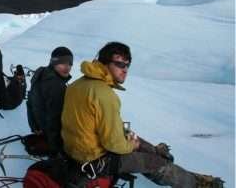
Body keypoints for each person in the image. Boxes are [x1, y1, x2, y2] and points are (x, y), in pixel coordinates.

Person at [61, 42, 224, 188]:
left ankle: (161, 156)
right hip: (96, 161)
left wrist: (130, 139)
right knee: (153, 162)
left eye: (127, 65)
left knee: (133, 138)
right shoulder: (104, 95)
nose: (124, 69)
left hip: (76, 151)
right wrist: (131, 145)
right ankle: (197, 184)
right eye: (119, 64)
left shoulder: (78, 84)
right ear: (104, 63)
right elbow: (113, 144)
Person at [27, 46, 73, 155]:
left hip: (40, 129)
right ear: (53, 63)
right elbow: (54, 120)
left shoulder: (41, 74)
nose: (67, 67)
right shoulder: (56, 85)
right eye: (63, 63)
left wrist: (35, 126)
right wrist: (56, 149)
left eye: (70, 63)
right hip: (52, 136)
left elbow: (30, 102)